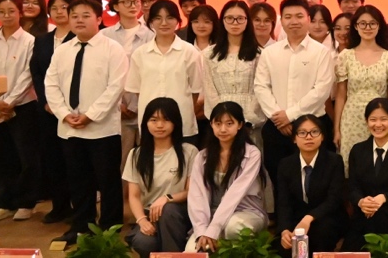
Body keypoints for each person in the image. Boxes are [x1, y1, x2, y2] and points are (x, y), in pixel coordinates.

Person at [43, 0, 129, 245]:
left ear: (99, 19)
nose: (79, 20)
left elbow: (116, 87)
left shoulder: (113, 49)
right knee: (78, 181)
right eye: (74, 16)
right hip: (69, 128)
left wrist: (91, 115)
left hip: (102, 129)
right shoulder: (62, 51)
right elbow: (51, 84)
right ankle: (81, 226)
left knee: (107, 181)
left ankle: (110, 228)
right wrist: (63, 113)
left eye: (85, 15)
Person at [255, 0, 337, 188]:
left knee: (315, 182)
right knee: (279, 180)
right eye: (288, 16)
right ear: (281, 21)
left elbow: (322, 89)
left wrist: (290, 115)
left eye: (299, 16)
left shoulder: (321, 52)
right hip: (276, 128)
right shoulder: (270, 52)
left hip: (313, 127)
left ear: (308, 19)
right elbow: (261, 86)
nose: (294, 21)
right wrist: (278, 117)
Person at [0, 0, 38, 222]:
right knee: (0, 156)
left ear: (20, 13)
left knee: (26, 156)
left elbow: (28, 75)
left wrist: (10, 100)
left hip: (22, 107)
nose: (7, 15)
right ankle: (5, 203)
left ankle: (26, 202)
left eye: (12, 11)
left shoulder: (30, 41)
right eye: (2, 12)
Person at [187, 102, 268, 252]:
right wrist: (202, 231)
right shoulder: (202, 156)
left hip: (246, 212)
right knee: (192, 251)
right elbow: (196, 196)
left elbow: (235, 193)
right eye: (218, 123)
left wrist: (213, 230)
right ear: (211, 125)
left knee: (233, 227)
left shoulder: (251, 154)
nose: (223, 129)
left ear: (240, 125)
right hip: (211, 216)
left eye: (229, 123)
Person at [124, 99, 197, 258]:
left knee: (168, 209)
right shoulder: (136, 154)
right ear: (146, 123)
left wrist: (167, 198)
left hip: (179, 213)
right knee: (144, 242)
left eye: (166, 119)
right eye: (154, 120)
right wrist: (142, 220)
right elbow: (133, 196)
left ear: (175, 122)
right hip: (149, 214)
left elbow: (191, 191)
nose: (159, 125)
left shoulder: (189, 152)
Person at [344, 98, 388, 250]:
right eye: (373, 120)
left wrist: (383, 198)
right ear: (366, 121)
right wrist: (361, 202)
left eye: (383, 119)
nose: (378, 125)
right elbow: (352, 187)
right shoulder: (357, 150)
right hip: (363, 214)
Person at [127, 1, 204, 142]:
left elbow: (195, 89)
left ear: (177, 21)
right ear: (151, 22)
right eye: (158, 18)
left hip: (182, 122)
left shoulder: (189, 52)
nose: (164, 23)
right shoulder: (140, 54)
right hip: (150, 124)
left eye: (170, 17)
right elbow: (138, 90)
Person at [30, 0, 75, 223]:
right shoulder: (42, 40)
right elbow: (37, 73)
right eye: (54, 8)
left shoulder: (80, 38)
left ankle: (80, 207)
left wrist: (64, 106)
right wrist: (46, 102)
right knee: (53, 159)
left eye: (64, 7)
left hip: (74, 110)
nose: (59, 12)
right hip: (48, 111)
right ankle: (60, 206)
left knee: (74, 160)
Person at [275, 114, 346, 253]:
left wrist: (308, 218)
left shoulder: (334, 161)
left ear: (322, 136)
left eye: (314, 132)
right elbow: (284, 202)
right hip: (297, 219)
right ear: (294, 138)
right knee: (282, 246)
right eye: (302, 133)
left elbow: (334, 200)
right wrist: (284, 230)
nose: (308, 137)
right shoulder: (285, 164)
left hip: (326, 217)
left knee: (321, 233)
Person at [334, 5, 388, 157]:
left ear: (379, 26)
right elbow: (341, 95)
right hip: (351, 118)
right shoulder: (345, 56)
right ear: (356, 26)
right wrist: (336, 129)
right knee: (351, 160)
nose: (368, 28)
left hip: (380, 118)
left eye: (372, 23)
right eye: (363, 23)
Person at [103, 0, 156, 155]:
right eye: (127, 2)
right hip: (114, 108)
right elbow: (102, 73)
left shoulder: (152, 35)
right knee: (120, 160)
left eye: (136, 2)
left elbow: (153, 73)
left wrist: (135, 104)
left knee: (147, 157)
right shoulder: (105, 36)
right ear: (116, 6)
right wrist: (118, 103)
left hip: (145, 105)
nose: (133, 6)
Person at [202, 0, 264, 139]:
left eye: (240, 18)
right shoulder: (209, 54)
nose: (235, 23)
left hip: (251, 119)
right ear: (222, 21)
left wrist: (247, 118)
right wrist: (222, 118)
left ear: (247, 21)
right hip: (220, 120)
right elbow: (209, 89)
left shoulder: (259, 54)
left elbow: (260, 89)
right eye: (230, 18)